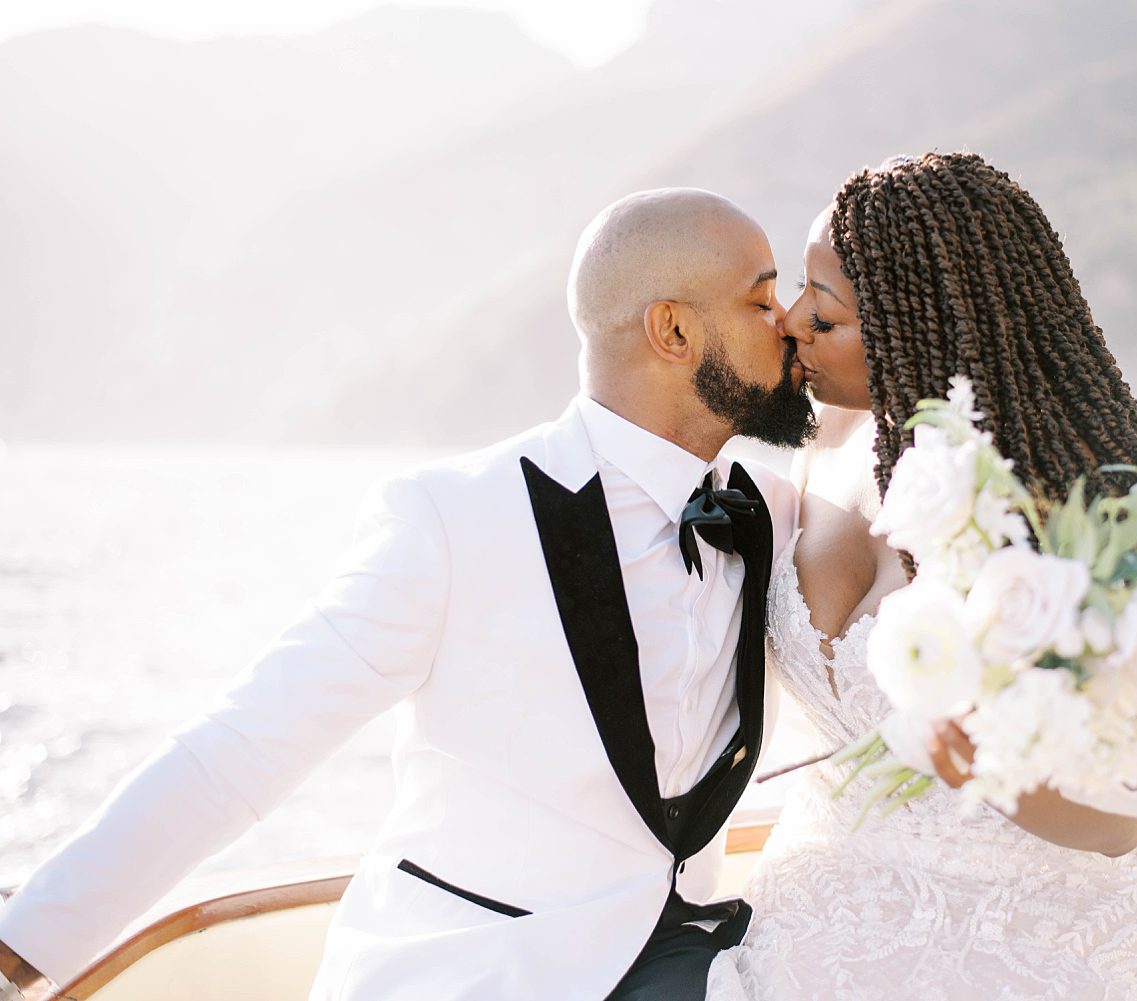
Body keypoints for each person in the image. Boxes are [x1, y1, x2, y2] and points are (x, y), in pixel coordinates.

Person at [0, 188, 815, 1001]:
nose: (788, 321)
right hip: (473, 970)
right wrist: (22, 942)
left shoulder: (780, 516)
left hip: (695, 961)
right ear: (672, 330)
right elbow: (243, 746)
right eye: (761, 298)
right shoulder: (452, 518)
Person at [705, 153, 1137, 1001]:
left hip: (1060, 935)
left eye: (824, 311)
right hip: (821, 916)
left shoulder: (1073, 505)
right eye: (799, 288)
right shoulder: (823, 439)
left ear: (917, 333)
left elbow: (1123, 821)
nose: (792, 319)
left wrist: (987, 763)